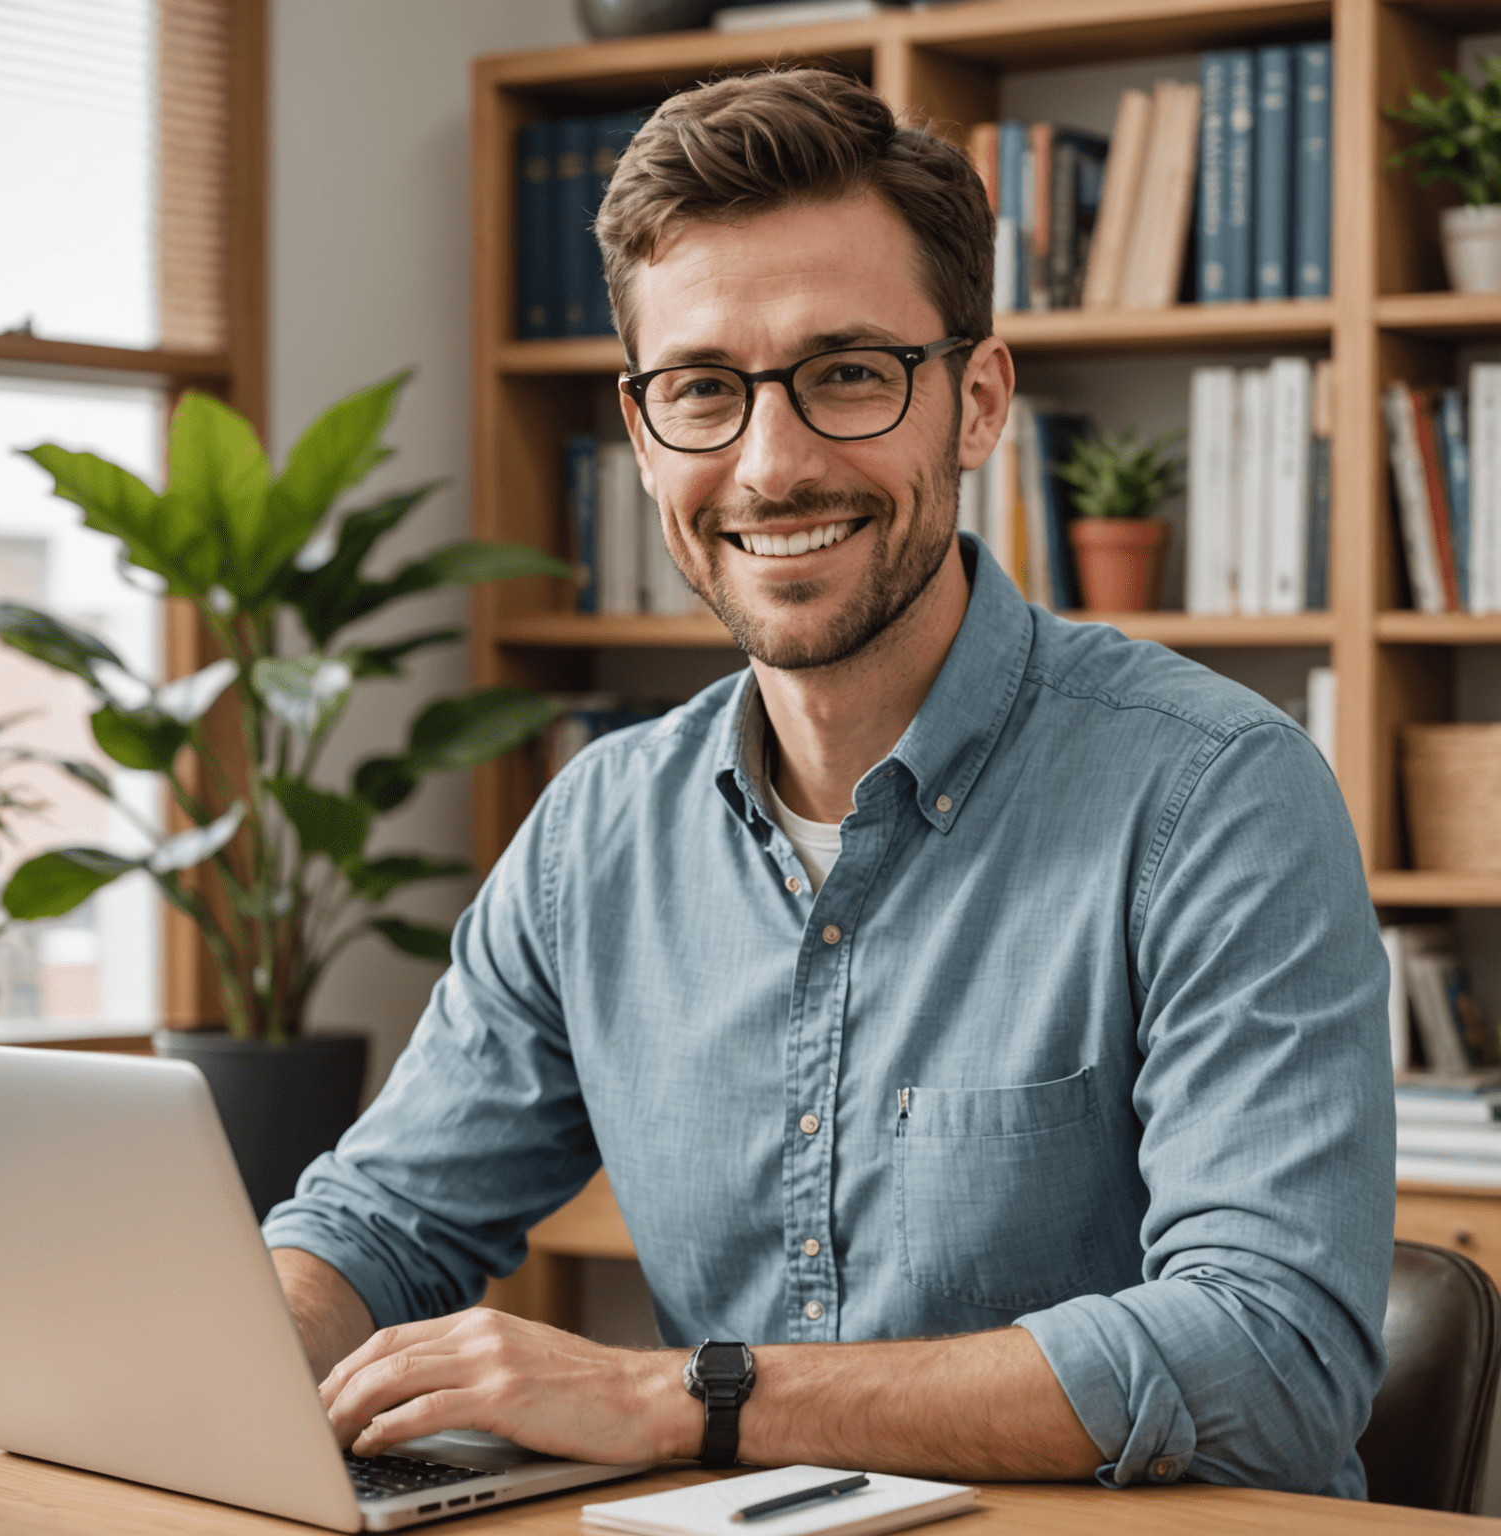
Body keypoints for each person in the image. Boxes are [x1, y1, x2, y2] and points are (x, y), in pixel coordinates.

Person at [264, 68, 1394, 1497]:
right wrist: (223, 1355)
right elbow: (377, 1225)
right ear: (643, 426)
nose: (771, 463)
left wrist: (687, 1398)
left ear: (977, 403)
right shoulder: (596, 833)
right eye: (702, 391)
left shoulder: (1216, 797)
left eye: (849, 373)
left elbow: (1272, 1360)